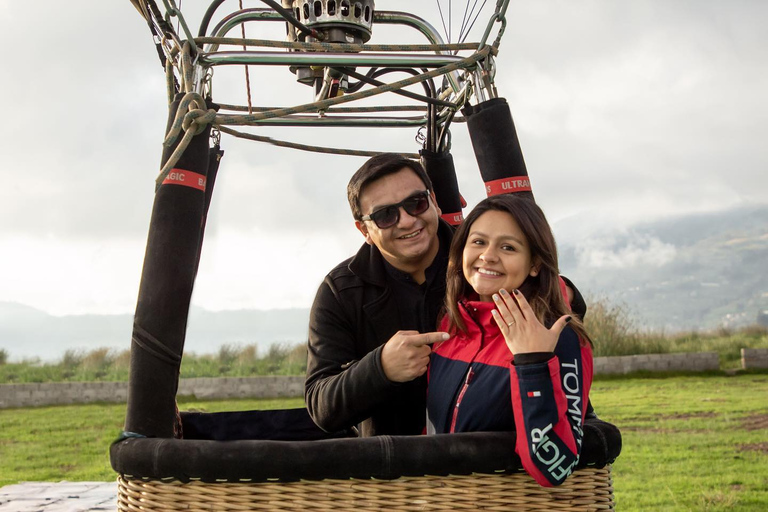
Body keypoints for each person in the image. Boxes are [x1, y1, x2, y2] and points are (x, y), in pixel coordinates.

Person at [305, 153, 588, 437]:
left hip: (498, 464)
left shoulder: (479, 264)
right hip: (390, 468)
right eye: (385, 215)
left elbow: (545, 291)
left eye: (416, 203)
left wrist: (565, 293)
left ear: (434, 202)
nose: (406, 221)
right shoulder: (340, 292)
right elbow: (321, 405)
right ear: (364, 229)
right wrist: (380, 369)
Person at [426, 194, 593, 487]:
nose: (488, 255)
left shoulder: (557, 336)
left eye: (508, 247)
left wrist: (533, 365)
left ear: (535, 264)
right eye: (478, 242)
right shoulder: (449, 325)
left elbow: (554, 466)